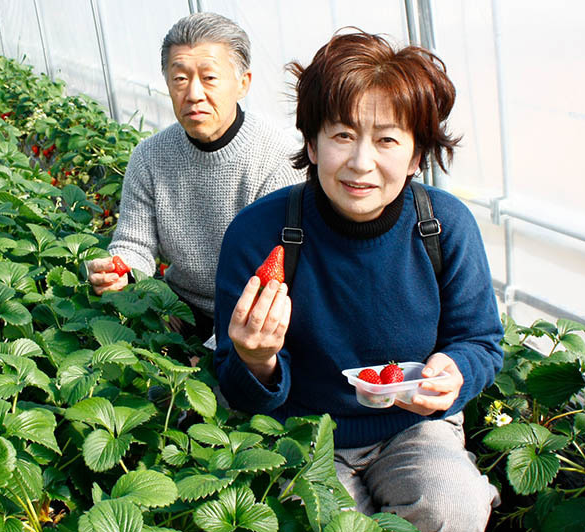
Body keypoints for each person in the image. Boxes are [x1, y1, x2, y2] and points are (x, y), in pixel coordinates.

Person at [213, 31, 503, 532]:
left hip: (415, 427)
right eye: (342, 135)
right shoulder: (258, 235)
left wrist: (454, 371)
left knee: (452, 507)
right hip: (305, 430)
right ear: (311, 142)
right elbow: (235, 387)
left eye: (387, 139)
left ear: (416, 156)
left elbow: (480, 340)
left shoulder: (444, 227)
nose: (361, 162)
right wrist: (256, 361)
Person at [87, 12, 304, 341]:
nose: (193, 93)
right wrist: (117, 271)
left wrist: (216, 348)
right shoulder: (149, 157)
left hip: (256, 316)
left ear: (243, 83)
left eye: (210, 78)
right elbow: (133, 244)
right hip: (178, 311)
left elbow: (278, 276)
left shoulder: (278, 159)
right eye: (180, 78)